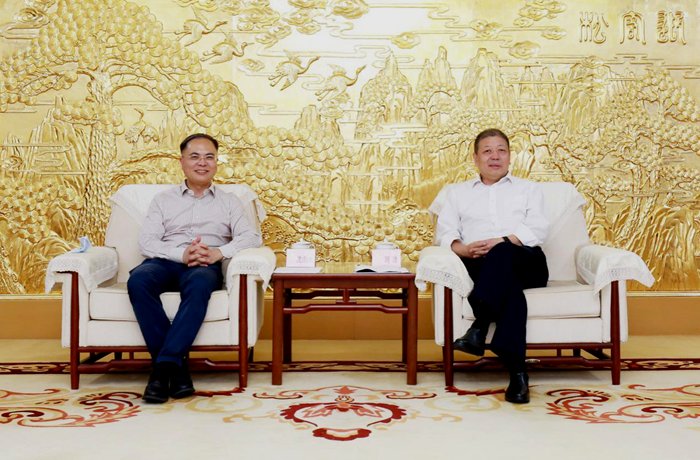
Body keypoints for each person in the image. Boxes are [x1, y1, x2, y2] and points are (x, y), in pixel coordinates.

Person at [127, 133, 262, 404]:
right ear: (182, 162)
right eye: (195, 156)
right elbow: (147, 242)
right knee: (138, 280)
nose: (202, 162)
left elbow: (251, 237)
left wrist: (217, 253)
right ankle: (175, 369)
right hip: (166, 261)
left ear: (216, 162)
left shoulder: (229, 201)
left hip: (204, 265)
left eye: (209, 157)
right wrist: (181, 254)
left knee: (200, 282)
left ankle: (161, 370)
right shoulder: (163, 200)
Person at [435, 128, 549, 404]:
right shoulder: (457, 193)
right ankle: (518, 373)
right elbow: (445, 233)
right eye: (487, 151)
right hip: (480, 265)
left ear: (509, 156)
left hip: (527, 261)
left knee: (502, 252)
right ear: (475, 158)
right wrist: (465, 249)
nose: (495, 156)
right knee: (510, 290)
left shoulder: (529, 189)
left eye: (501, 151)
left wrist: (502, 241)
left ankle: (480, 325)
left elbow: (538, 230)